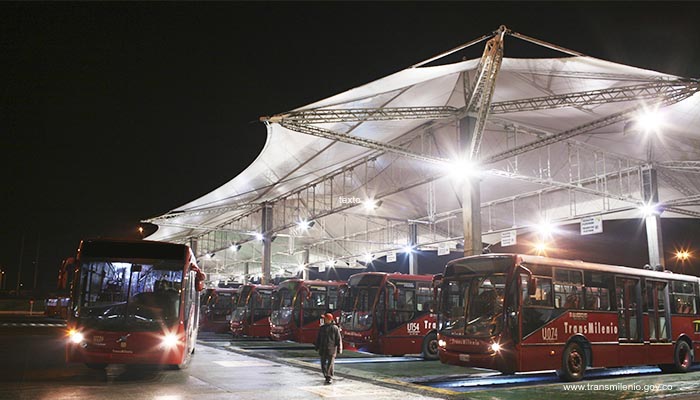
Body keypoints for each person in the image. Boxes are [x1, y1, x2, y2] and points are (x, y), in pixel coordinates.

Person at [314, 313, 342, 384]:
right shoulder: (322, 328)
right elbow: (318, 338)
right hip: (323, 349)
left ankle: (329, 377)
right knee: (323, 364)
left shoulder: (335, 328)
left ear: (329, 319)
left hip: (331, 349)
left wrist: (339, 349)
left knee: (330, 364)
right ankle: (326, 375)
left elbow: (338, 339)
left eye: (325, 318)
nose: (324, 320)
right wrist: (317, 346)